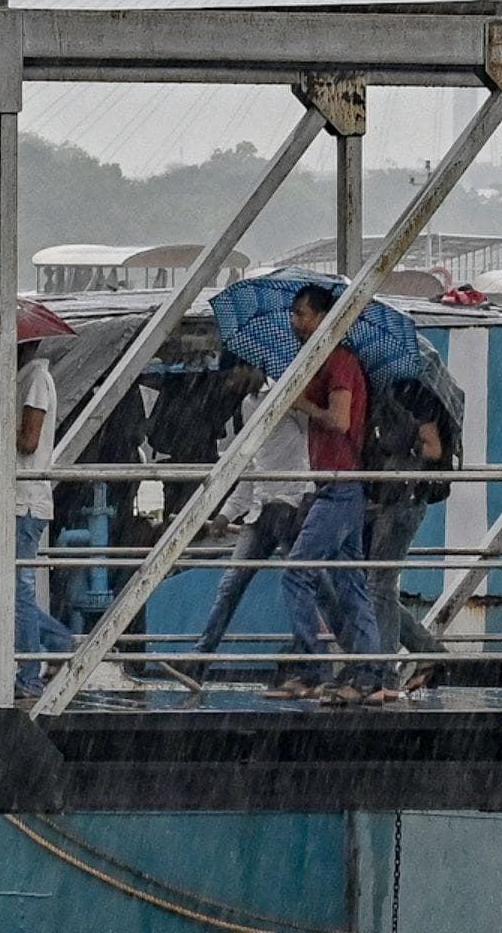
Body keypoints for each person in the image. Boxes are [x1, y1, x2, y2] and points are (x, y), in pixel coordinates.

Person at [269, 284, 384, 705]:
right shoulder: (327, 362)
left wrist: (300, 404)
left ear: (322, 318)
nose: (295, 322)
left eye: (302, 314)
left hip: (339, 484)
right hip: (338, 483)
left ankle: (313, 667)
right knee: (350, 581)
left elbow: (338, 419)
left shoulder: (338, 362)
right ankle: (370, 673)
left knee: (297, 573)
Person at [187, 357, 311, 676]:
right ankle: (199, 658)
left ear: (251, 366)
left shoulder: (289, 397)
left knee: (305, 584)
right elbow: (254, 464)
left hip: (288, 503)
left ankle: (314, 658)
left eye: (235, 372)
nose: (232, 381)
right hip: (259, 509)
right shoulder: (248, 405)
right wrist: (227, 512)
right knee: (231, 585)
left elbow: (310, 443)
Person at [0, 339, 73, 699]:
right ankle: (56, 639)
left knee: (15, 586)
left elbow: (28, 441)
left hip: (25, 501)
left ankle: (29, 673)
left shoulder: (34, 378)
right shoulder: (20, 378)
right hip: (10, 499)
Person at [363, 378, 453, 694]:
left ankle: (385, 674)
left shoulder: (414, 396)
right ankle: (428, 651)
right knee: (376, 585)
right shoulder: (395, 394)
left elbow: (433, 448)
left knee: (379, 584)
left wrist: (399, 462)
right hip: (395, 498)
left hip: (406, 499)